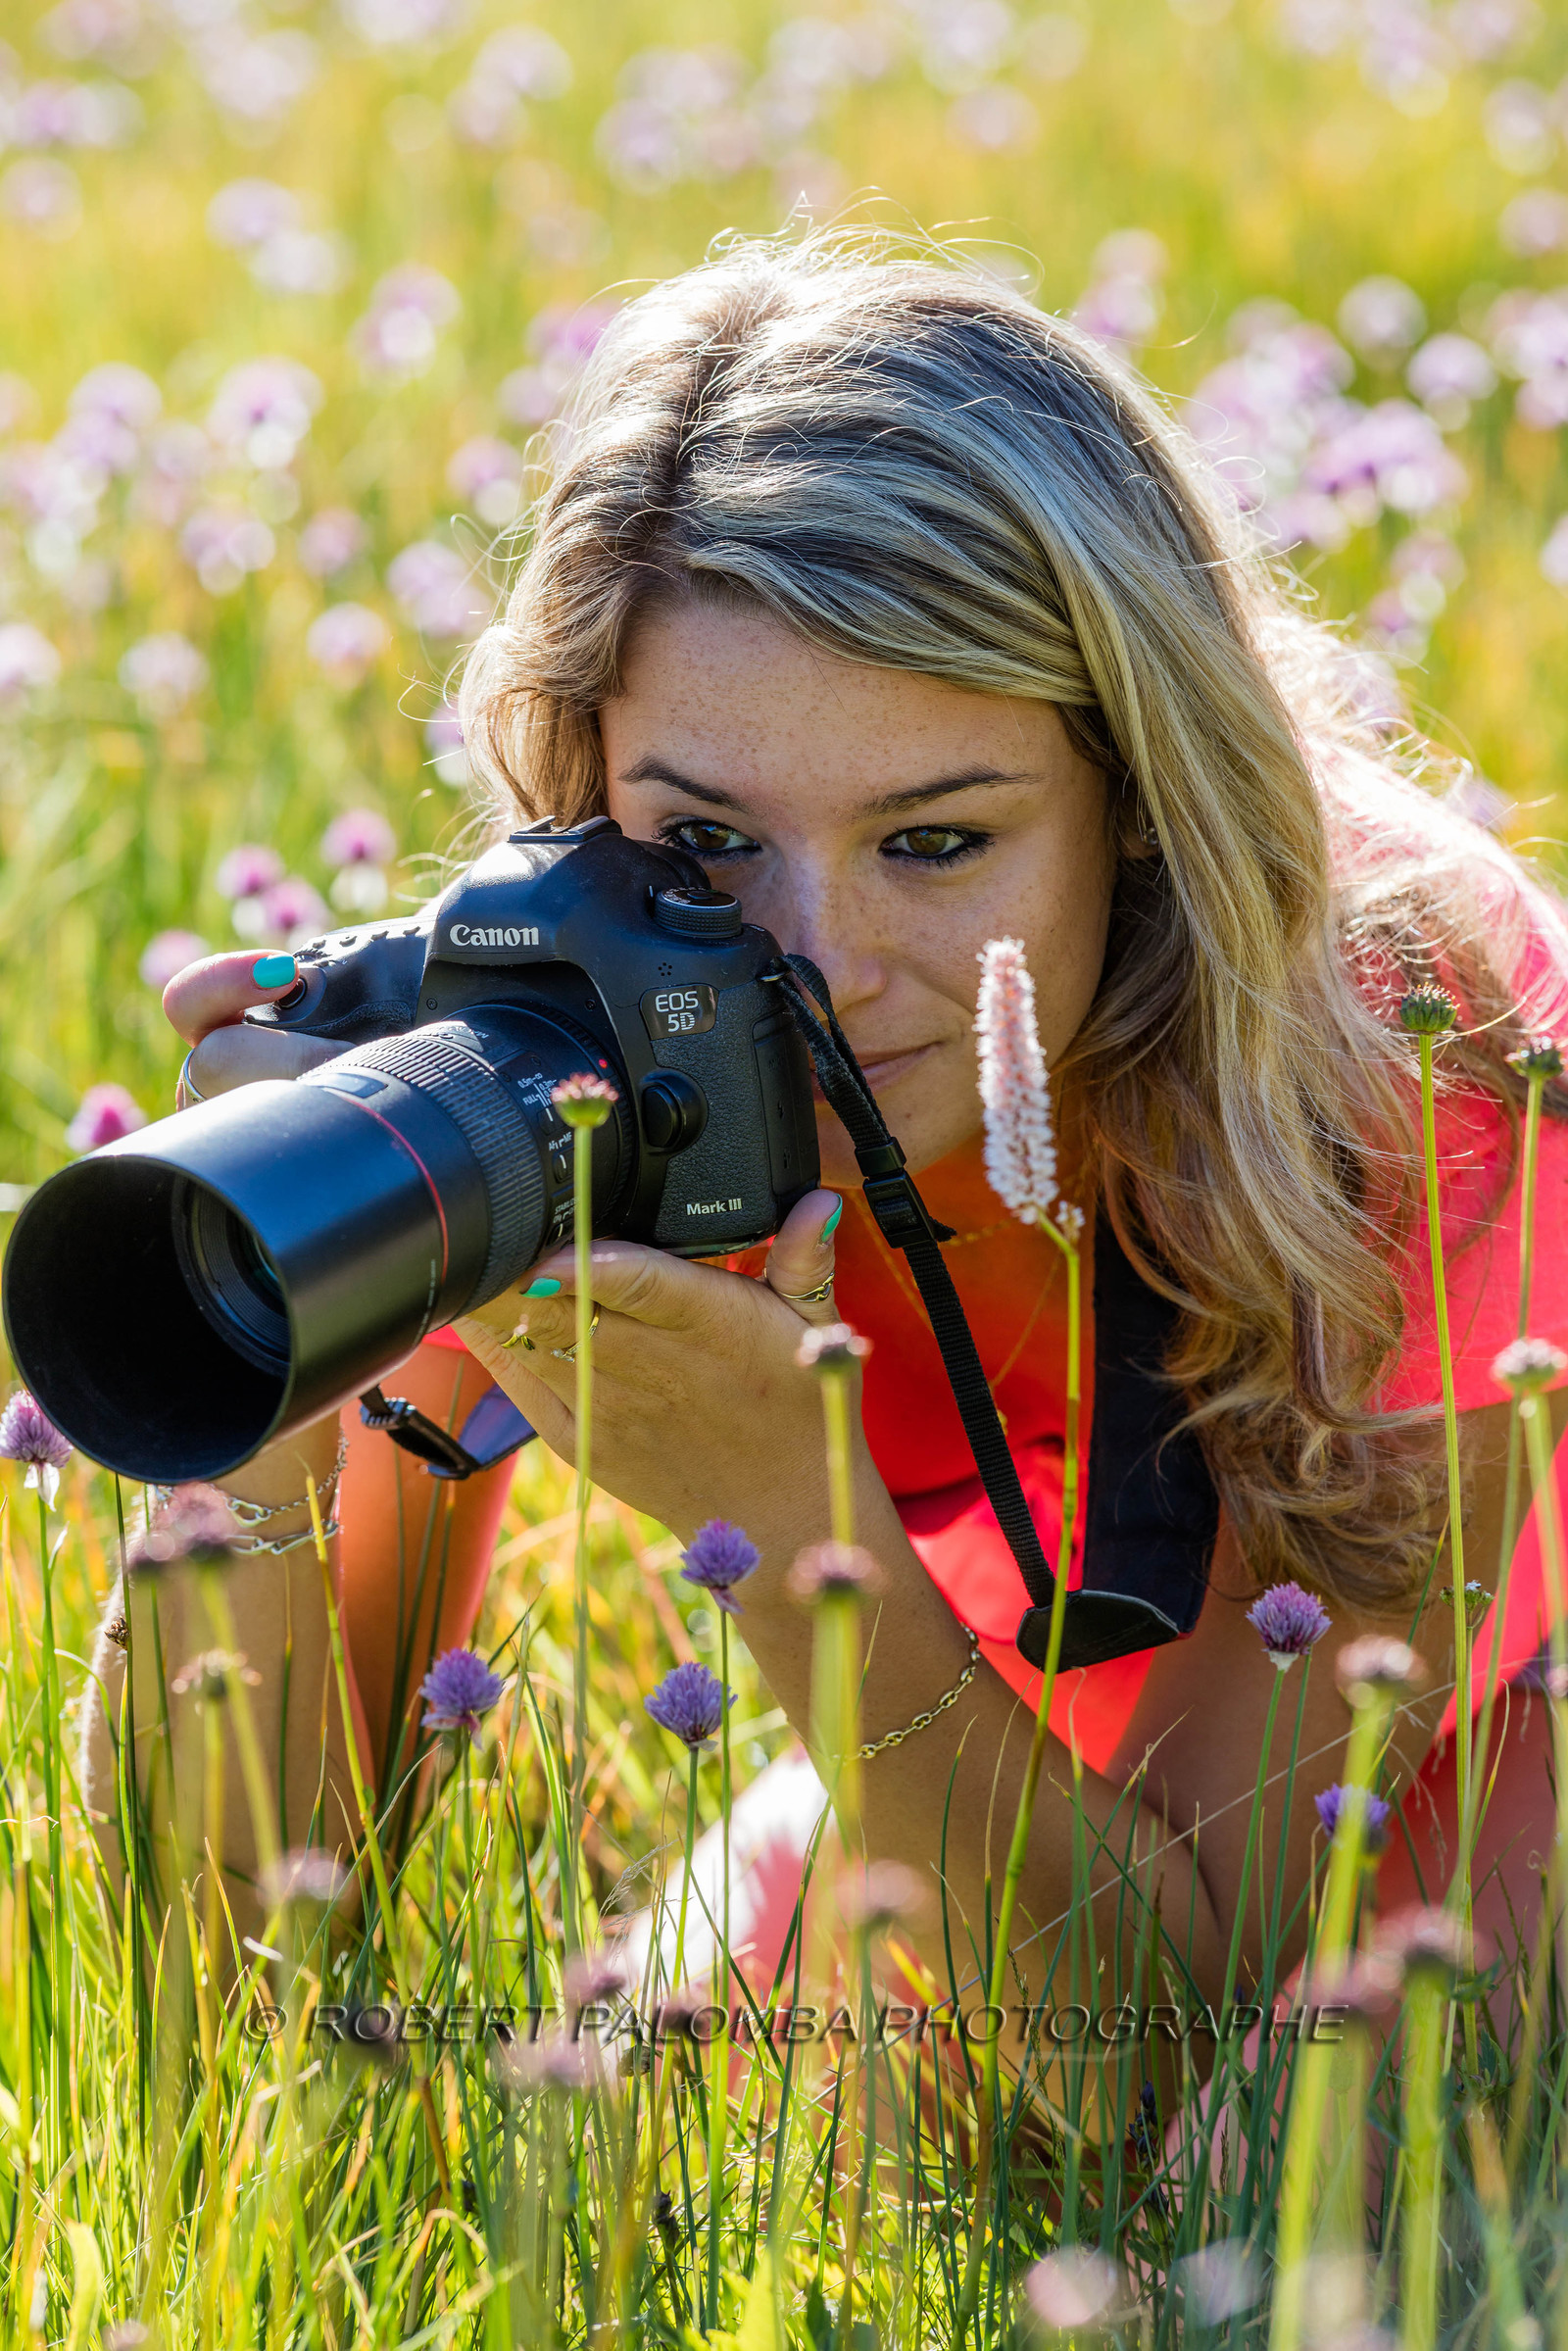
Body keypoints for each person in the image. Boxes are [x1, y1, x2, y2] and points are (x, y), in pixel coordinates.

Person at [81, 234, 1568, 2064]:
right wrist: (280, 1317)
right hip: (1024, 1729)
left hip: (1523, 1708)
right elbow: (216, 1962)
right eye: (703, 846)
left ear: (1141, 807)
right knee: (639, 2088)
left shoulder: (1409, 1051)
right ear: (584, 789)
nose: (818, 969)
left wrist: (791, 1511)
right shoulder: (567, 1048)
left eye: (934, 843)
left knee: (1274, 2154)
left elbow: (1149, 2034)